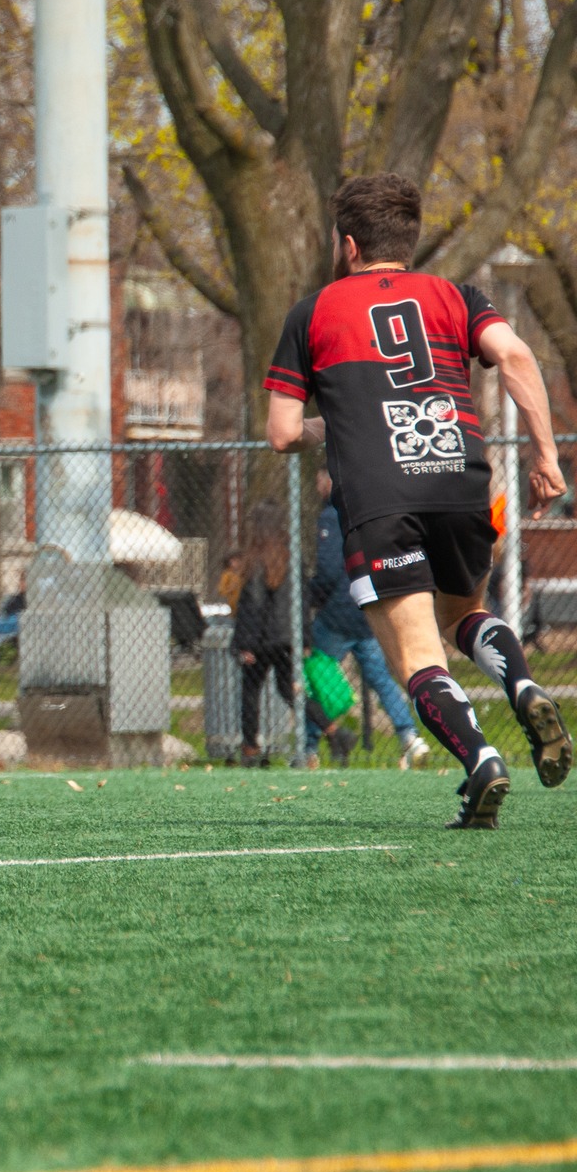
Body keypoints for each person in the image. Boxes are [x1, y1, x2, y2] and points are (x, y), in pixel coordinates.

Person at [265, 172, 569, 827]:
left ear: (349, 245)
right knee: (466, 612)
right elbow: (516, 356)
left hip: (380, 495)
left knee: (416, 655)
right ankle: (521, 683)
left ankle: (482, 758)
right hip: (461, 477)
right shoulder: (456, 296)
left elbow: (283, 433)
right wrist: (545, 454)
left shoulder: (312, 313)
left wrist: (331, 423)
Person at [304, 466, 431, 769]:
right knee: (380, 678)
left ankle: (310, 744)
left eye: (321, 478)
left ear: (331, 480)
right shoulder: (368, 510)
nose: (318, 485)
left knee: (318, 673)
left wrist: (313, 597)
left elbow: (330, 570)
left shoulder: (331, 516)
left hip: (338, 613)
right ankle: (409, 736)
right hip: (368, 607)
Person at [230, 500, 342, 766]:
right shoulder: (291, 556)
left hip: (261, 640)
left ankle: (250, 748)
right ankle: (335, 732)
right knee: (289, 690)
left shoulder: (255, 560)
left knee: (250, 690)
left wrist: (243, 644)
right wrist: (304, 638)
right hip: (286, 638)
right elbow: (303, 599)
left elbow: (253, 606)